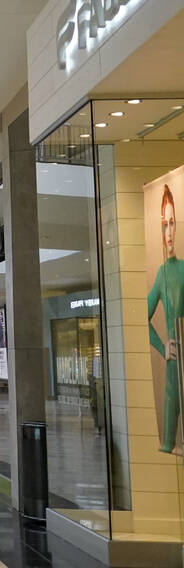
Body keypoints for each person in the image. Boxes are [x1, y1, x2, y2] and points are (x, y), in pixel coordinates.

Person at [149, 184, 184, 453]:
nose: (168, 232)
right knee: (168, 444)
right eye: (164, 224)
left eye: (172, 223)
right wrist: (164, 349)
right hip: (174, 367)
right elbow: (144, 319)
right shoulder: (162, 273)